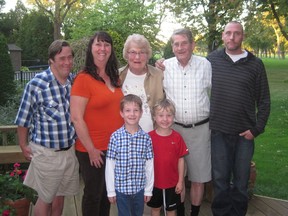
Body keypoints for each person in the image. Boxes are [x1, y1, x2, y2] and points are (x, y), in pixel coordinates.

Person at [207, 21, 271, 216]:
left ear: (243, 36)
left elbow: (265, 100)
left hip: (245, 134)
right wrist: (162, 64)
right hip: (219, 131)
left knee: (241, 182)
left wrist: (256, 129)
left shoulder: (255, 64)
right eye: (228, 33)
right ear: (223, 36)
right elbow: (186, 69)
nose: (232, 37)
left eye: (236, 33)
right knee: (220, 180)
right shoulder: (211, 60)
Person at [14, 40, 79, 216]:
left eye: (69, 57)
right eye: (62, 58)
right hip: (47, 154)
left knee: (60, 198)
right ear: (51, 60)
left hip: (69, 153)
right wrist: (23, 144)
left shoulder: (74, 82)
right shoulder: (37, 84)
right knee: (45, 200)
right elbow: (23, 119)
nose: (67, 62)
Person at [156, 28, 212, 216]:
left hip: (200, 130)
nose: (180, 47)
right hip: (174, 130)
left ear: (192, 44)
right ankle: (178, 213)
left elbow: (218, 92)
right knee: (176, 177)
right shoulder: (164, 67)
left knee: (198, 177)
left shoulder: (205, 65)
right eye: (176, 44)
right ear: (172, 46)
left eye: (184, 43)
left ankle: (194, 213)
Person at [70, 31, 124, 216]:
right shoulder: (83, 79)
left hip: (113, 148)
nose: (103, 48)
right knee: (93, 195)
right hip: (92, 149)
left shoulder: (114, 77)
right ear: (91, 49)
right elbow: (76, 117)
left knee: (106, 194)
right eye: (98, 44)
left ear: (111, 50)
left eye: (106, 45)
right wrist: (92, 149)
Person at [105, 94, 154, 216]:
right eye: (128, 110)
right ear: (121, 113)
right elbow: (110, 166)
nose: (132, 114)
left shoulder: (146, 138)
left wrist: (148, 190)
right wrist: (111, 191)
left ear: (141, 113)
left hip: (139, 189)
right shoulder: (115, 137)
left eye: (136, 110)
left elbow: (149, 165)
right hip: (121, 190)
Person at [147, 98, 189, 216]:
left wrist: (180, 181)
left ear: (173, 117)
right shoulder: (148, 138)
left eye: (169, 115)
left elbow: (181, 160)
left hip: (172, 183)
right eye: (161, 115)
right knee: (155, 209)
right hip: (154, 183)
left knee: (171, 210)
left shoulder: (177, 138)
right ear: (154, 117)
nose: (165, 119)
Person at [119, 33, 164, 132]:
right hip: (124, 138)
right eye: (133, 52)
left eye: (142, 52)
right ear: (126, 54)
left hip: (153, 134)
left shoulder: (158, 75)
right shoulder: (117, 76)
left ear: (148, 55)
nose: (137, 57)